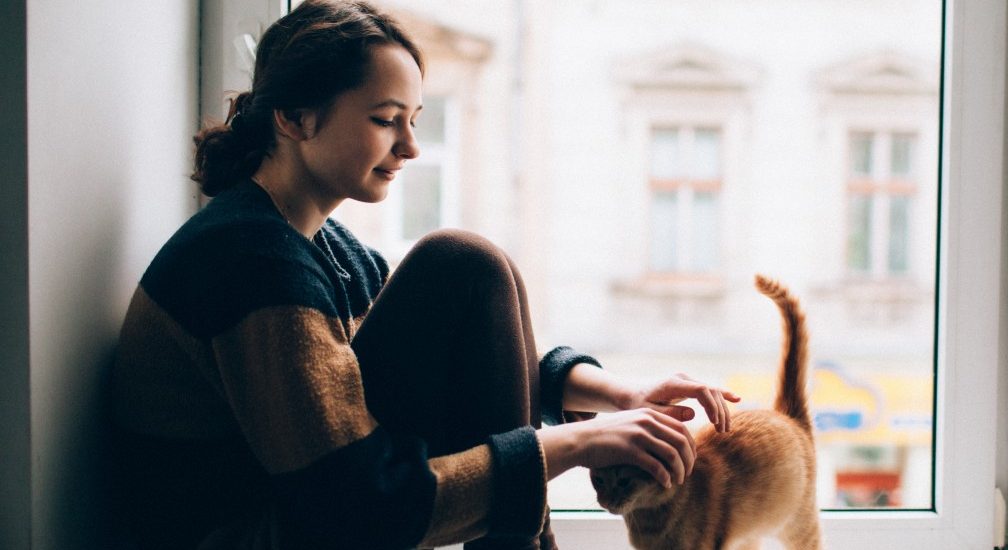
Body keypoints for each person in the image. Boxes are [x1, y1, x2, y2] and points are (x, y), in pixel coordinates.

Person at [107, 1, 739, 549]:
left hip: (305, 513)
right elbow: (360, 507)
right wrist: (576, 445)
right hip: (257, 536)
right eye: (386, 120)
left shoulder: (316, 244)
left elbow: (480, 348)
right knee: (462, 262)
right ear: (296, 118)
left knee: (472, 274)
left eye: (415, 119)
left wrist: (615, 395)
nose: (410, 147)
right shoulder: (251, 259)